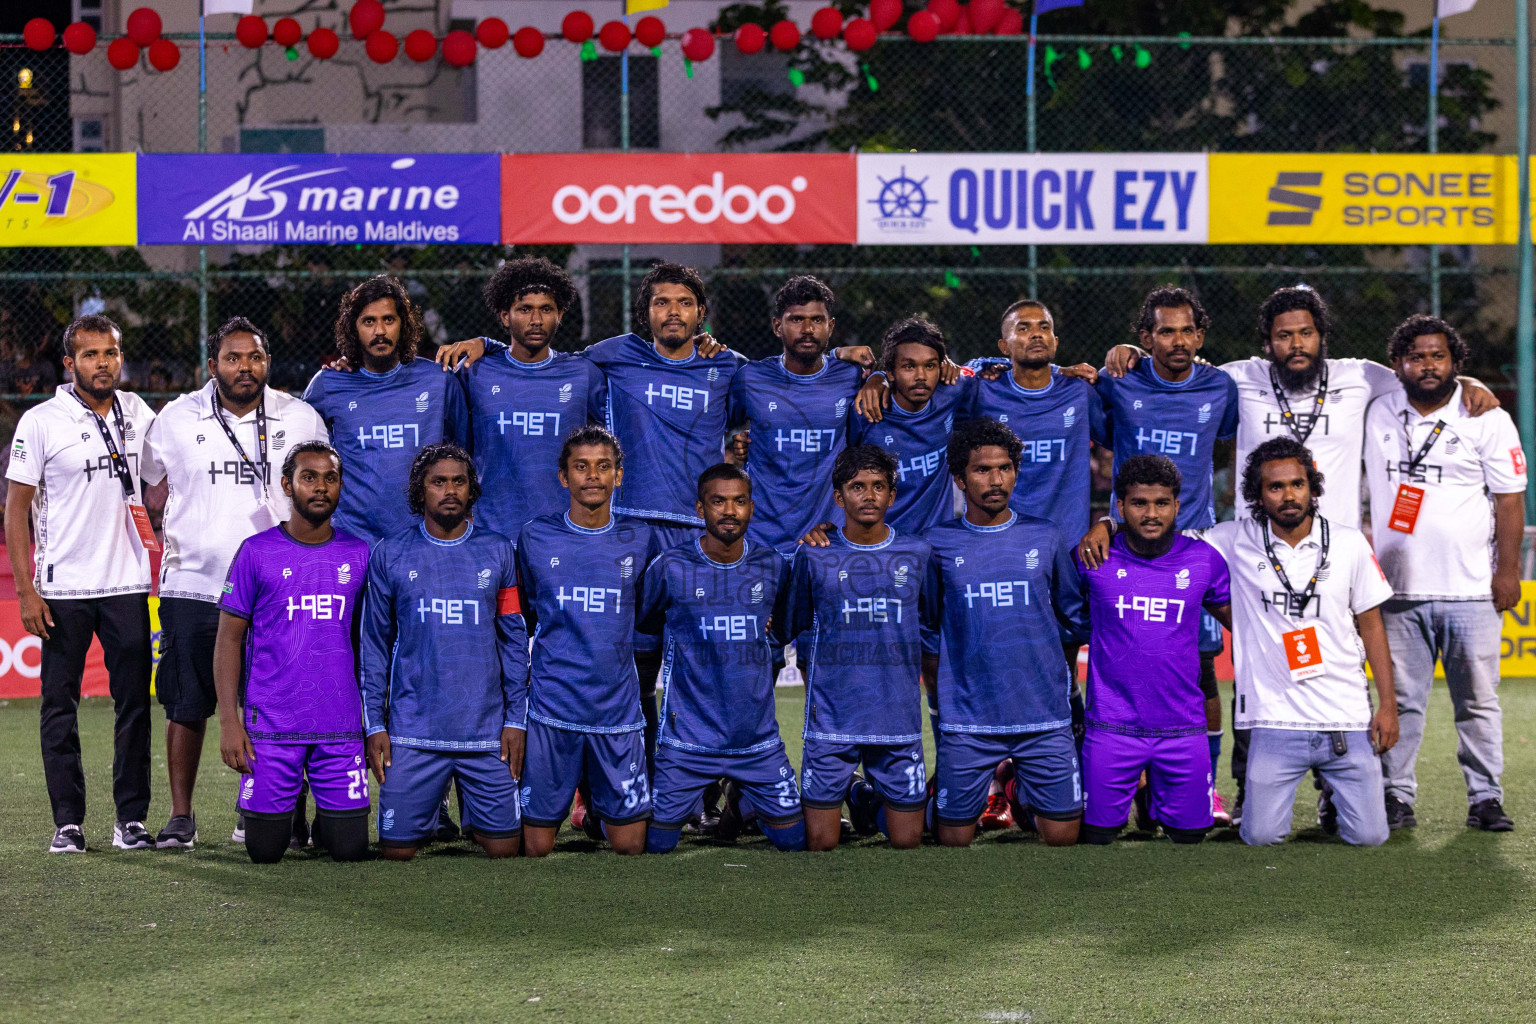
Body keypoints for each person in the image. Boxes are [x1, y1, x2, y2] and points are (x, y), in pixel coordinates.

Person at [1098, 286, 1499, 821]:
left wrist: (1468, 383)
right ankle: (1245, 787)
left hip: (1333, 555)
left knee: (1342, 664)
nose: (1295, 343)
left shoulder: (1361, 376)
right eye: (1283, 334)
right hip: (1258, 550)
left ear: (1322, 337)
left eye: (1305, 332)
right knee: (1256, 668)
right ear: (1267, 343)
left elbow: (1420, 376)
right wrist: (1129, 354)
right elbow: (1181, 365)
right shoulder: (1238, 378)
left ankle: (1344, 793)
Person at [140, 317, 329, 850]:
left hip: (278, 587)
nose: (244, 367)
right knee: (186, 703)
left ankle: (264, 810)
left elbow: (319, 491)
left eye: (254, 358)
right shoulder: (176, 417)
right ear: (213, 365)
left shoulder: (300, 416)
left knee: (276, 705)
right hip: (193, 583)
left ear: (267, 362)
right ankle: (181, 815)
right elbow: (149, 482)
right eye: (233, 358)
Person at [1079, 286, 1239, 822]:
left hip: (1194, 548)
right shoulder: (1119, 383)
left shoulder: (1221, 387)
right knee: (1127, 663)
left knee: (1199, 671)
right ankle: (1123, 780)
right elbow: (1081, 409)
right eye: (1164, 331)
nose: (1178, 340)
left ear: (1200, 335)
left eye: (1187, 330)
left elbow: (1241, 439)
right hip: (1125, 549)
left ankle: (1205, 784)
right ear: (1146, 338)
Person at [1365, 315, 1526, 832]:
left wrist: (1508, 571)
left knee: (1477, 702)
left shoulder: (1487, 417)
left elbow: (1509, 500)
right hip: (1395, 589)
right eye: (1417, 356)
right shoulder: (1375, 408)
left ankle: (1485, 798)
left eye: (1438, 356)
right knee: (1401, 701)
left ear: (1456, 362)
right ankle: (1395, 795)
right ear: (1398, 364)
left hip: (1471, 589)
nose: (1428, 365)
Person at [6, 315, 157, 854]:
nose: (102, 363)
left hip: (126, 584)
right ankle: (68, 821)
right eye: (90, 355)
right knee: (58, 707)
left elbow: (163, 479)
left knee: (134, 703)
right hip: (62, 588)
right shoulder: (41, 421)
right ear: (69, 364)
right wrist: (26, 590)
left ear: (121, 357)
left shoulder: (139, 413)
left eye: (110, 353)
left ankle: (131, 820)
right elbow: (16, 508)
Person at [1204, 438, 1398, 847]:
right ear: (1258, 495)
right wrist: (1109, 524)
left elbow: (1373, 625)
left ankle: (1333, 794)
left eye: (1297, 484)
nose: (1288, 495)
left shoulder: (1348, 543)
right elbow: (1165, 542)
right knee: (1259, 837)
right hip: (1275, 722)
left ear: (1313, 487)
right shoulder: (1232, 539)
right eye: (1275, 487)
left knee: (1370, 838)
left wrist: (1388, 706)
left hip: (1345, 720)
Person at [919, 418, 1089, 848]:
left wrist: (1057, 683)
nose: (996, 480)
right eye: (982, 470)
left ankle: (1017, 789)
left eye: (1005, 468)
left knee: (1064, 838)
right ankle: (926, 799)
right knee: (951, 840)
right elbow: (928, 626)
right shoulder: (936, 543)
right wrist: (942, 700)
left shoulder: (1046, 536)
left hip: (1043, 717)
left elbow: (1072, 620)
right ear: (959, 478)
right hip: (970, 721)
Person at [361, 444, 529, 860]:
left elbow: (513, 641)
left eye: (459, 481)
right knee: (396, 853)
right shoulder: (390, 554)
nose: (450, 490)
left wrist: (515, 720)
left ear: (472, 490)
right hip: (412, 733)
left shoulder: (499, 550)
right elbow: (374, 645)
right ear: (421, 491)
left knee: (506, 850)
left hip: (485, 733)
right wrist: (374, 725)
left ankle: (471, 816)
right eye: (439, 481)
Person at [214, 441, 372, 864]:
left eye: (330, 478)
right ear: (287, 485)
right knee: (264, 851)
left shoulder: (359, 554)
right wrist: (230, 721)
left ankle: (326, 817)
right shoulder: (256, 552)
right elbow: (228, 639)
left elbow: (371, 643)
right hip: (271, 727)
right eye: (309, 477)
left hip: (339, 727)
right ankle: (288, 810)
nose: (320, 487)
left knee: (350, 849)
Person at [639, 464, 804, 853]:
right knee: (654, 845)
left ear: (751, 507)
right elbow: (644, 623)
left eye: (739, 501)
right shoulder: (670, 567)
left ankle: (740, 803)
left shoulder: (773, 565)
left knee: (796, 842)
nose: (729, 511)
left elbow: (784, 627)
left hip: (757, 744)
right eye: (718, 501)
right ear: (700, 509)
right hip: (686, 745)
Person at [515, 426, 661, 857]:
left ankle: (596, 808)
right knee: (536, 847)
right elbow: (523, 612)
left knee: (631, 847)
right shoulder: (535, 537)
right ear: (563, 477)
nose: (592, 476)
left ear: (619, 475)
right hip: (551, 708)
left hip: (615, 710)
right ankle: (583, 802)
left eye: (603, 466)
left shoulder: (641, 537)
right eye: (581, 467)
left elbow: (656, 608)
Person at [1075, 455, 1231, 845]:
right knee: (1096, 837)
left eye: (1162, 503)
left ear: (1177, 506)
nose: (1151, 513)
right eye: (1139, 503)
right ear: (1121, 507)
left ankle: (1152, 792)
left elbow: (1249, 624)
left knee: (1191, 836)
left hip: (1181, 728)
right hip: (1112, 727)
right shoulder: (1094, 558)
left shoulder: (1204, 560)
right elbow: (1060, 625)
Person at [784, 445, 931, 851]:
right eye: (857, 487)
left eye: (878, 486)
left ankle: (864, 802)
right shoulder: (814, 556)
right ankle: (851, 788)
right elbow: (788, 624)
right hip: (832, 720)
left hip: (897, 717)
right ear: (838, 497)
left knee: (907, 841)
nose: (868, 495)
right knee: (820, 843)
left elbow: (932, 625)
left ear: (892, 495)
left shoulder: (918, 554)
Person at [300, 275, 470, 545]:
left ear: (403, 325)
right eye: (369, 321)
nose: (380, 331)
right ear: (353, 329)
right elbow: (301, 457)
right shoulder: (329, 384)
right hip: (351, 539)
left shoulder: (438, 380)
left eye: (388, 320)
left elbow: (465, 454)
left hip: (425, 537)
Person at [459, 257, 606, 541]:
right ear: (505, 316)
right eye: (524, 309)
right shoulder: (474, 372)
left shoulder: (583, 373)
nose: (536, 320)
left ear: (560, 315)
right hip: (491, 532)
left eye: (546, 310)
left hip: (565, 532)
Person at [726, 276, 863, 559]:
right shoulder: (751, 378)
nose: (808, 329)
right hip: (762, 536)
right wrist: (735, 445)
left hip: (828, 537)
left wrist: (878, 380)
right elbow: (722, 427)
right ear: (778, 326)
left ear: (831, 326)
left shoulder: (851, 378)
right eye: (796, 319)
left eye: (817, 320)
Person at [848, 316, 975, 533]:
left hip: (938, 541)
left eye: (930, 366)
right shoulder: (865, 410)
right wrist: (876, 377)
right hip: (882, 543)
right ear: (891, 372)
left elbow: (982, 372)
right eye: (909, 366)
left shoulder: (953, 391)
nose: (921, 376)